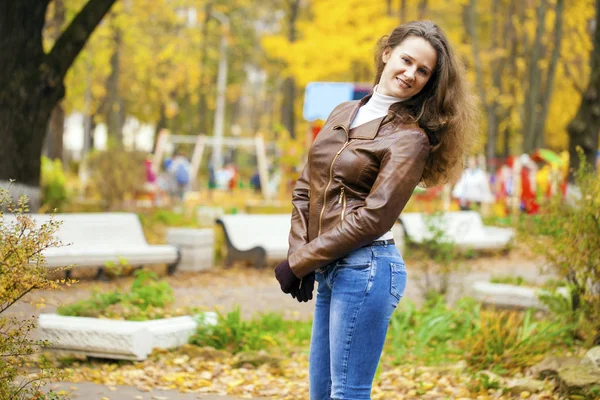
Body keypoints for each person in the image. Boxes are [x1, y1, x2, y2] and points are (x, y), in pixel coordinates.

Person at [274, 20, 479, 400]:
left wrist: (300, 263)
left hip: (367, 270)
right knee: (321, 394)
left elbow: (374, 217)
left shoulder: (409, 137)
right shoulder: (342, 112)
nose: (410, 74)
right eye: (406, 60)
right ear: (387, 53)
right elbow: (306, 187)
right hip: (331, 267)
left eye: (423, 71)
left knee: (347, 394)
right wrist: (299, 254)